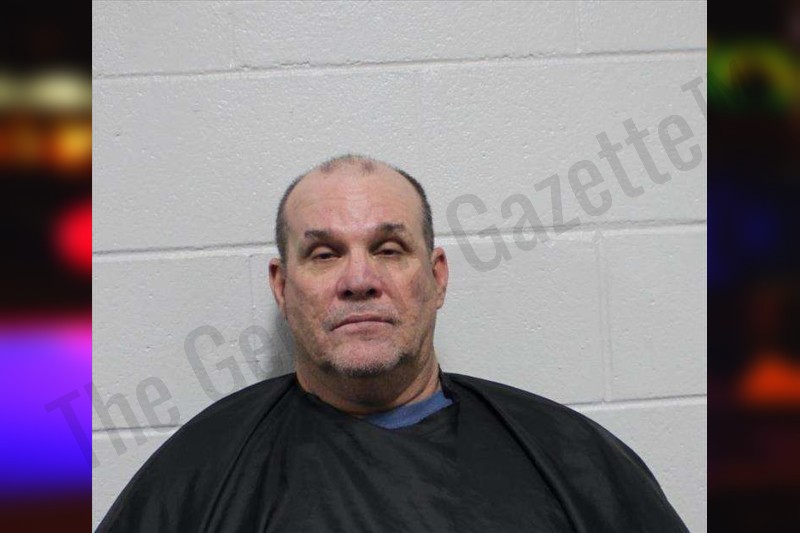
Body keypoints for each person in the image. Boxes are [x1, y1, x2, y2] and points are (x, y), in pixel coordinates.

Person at [97, 155, 689, 532]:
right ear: (281, 287)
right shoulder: (201, 475)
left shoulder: (570, 461)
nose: (359, 280)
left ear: (437, 276)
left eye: (388, 249)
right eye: (324, 254)